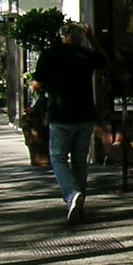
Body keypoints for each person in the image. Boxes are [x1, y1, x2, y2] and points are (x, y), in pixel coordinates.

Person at [32, 22, 108, 224]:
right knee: (79, 160)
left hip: (59, 114)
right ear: (81, 36)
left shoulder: (50, 54)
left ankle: (72, 194)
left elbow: (36, 84)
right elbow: (103, 61)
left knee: (58, 158)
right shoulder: (86, 54)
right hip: (84, 114)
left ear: (62, 35)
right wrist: (92, 38)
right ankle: (79, 201)